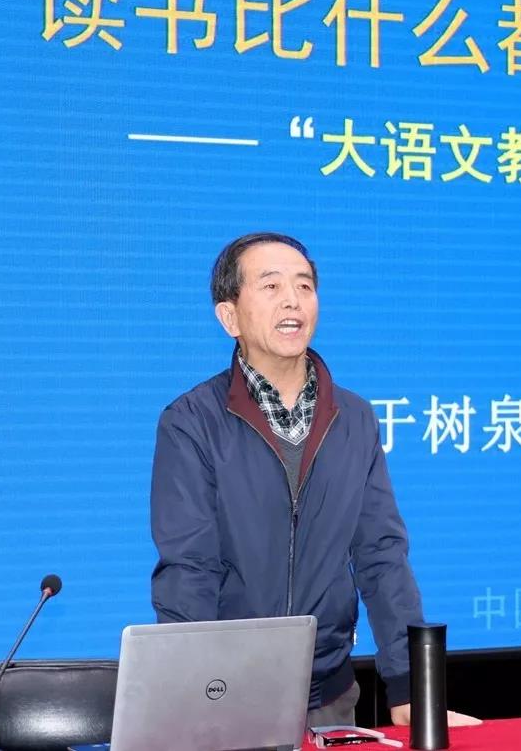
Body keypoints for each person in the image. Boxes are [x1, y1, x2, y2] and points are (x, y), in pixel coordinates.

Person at [151, 233, 479, 729]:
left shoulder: (354, 418)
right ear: (229, 317)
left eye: (304, 286)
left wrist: (409, 684)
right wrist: (196, 692)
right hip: (227, 696)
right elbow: (189, 570)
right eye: (271, 286)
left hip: (329, 695)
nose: (293, 300)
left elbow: (381, 556)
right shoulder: (192, 422)